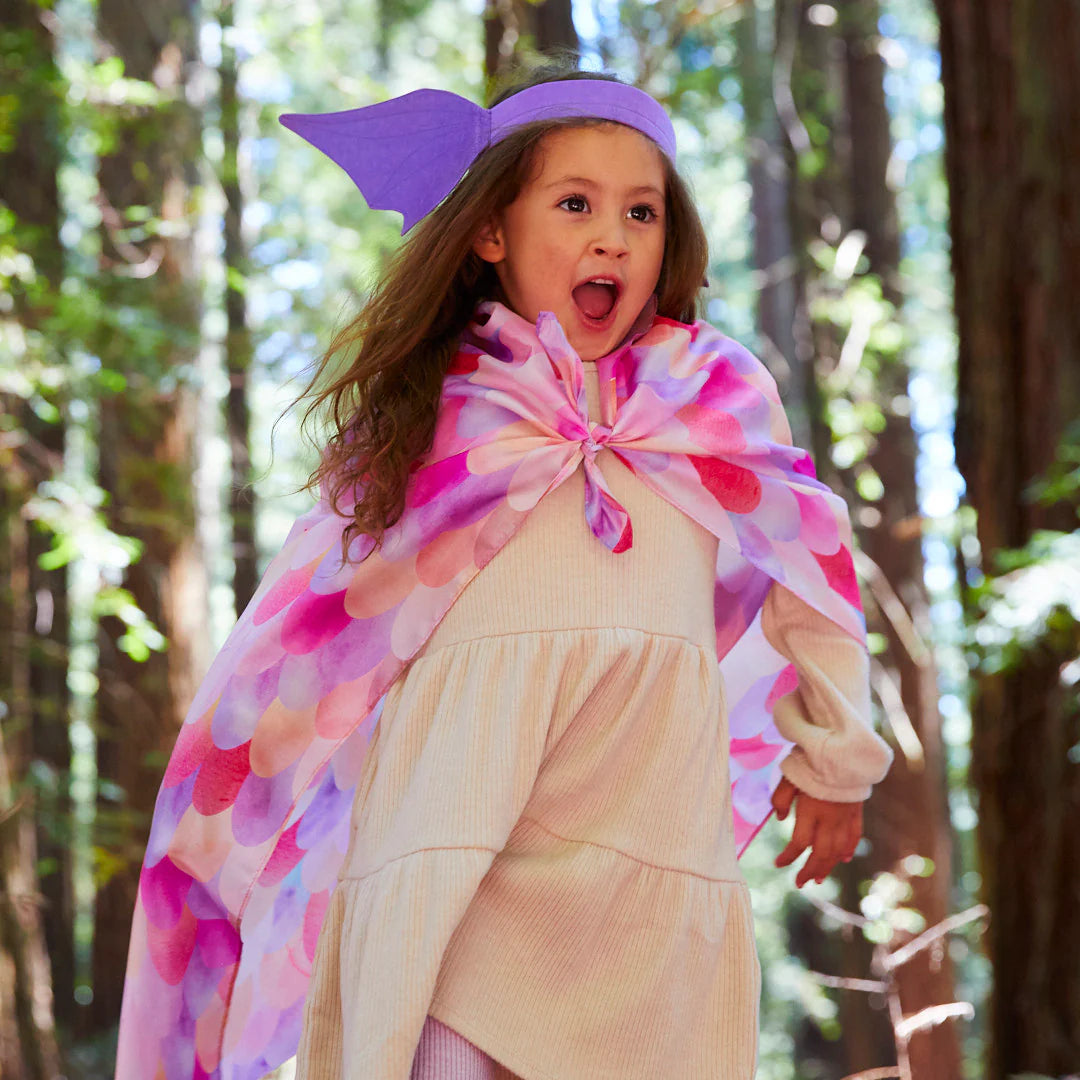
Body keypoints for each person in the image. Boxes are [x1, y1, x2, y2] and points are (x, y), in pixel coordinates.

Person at [113, 62, 894, 1080]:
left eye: (642, 212)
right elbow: (307, 647)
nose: (614, 236)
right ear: (491, 230)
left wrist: (837, 754)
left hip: (643, 866)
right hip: (456, 861)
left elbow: (810, 557)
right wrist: (225, 826)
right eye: (575, 204)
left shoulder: (711, 392)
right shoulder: (439, 414)